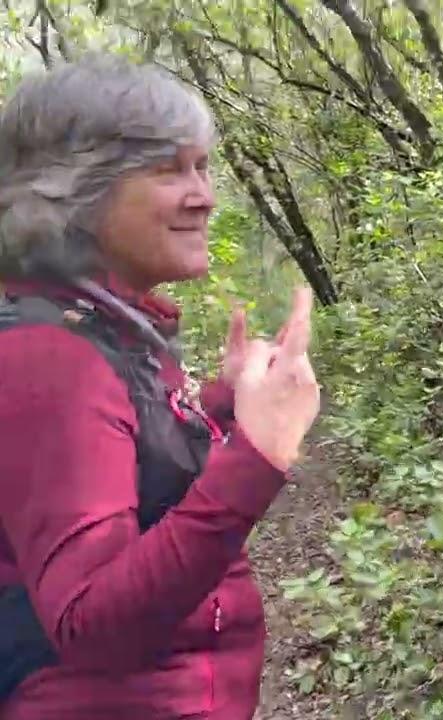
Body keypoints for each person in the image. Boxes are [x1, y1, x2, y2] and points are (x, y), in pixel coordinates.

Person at [0, 55, 321, 719]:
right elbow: (91, 622)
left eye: (202, 166)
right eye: (168, 169)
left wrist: (226, 404)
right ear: (75, 192)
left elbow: (125, 469)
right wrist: (256, 460)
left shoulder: (97, 326)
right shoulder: (51, 357)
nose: (204, 195)